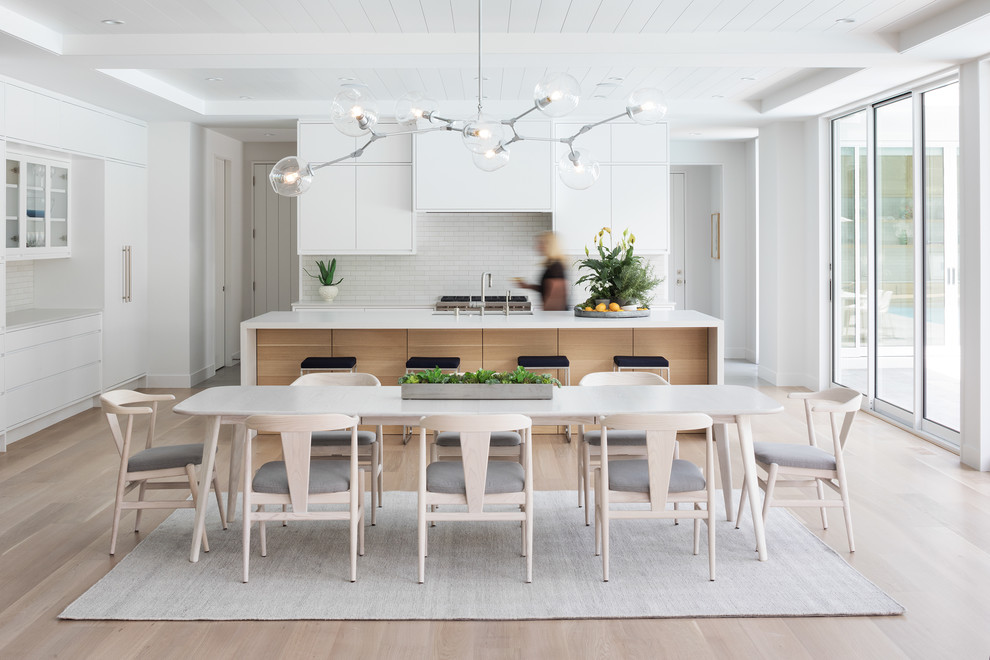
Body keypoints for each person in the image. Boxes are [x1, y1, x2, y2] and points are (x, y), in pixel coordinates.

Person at [513, 231, 570, 311]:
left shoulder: (556, 266)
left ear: (549, 245)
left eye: (541, 243)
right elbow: (547, 288)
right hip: (554, 314)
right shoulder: (552, 264)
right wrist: (528, 286)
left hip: (555, 315)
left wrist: (545, 314)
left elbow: (557, 295)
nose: (537, 246)